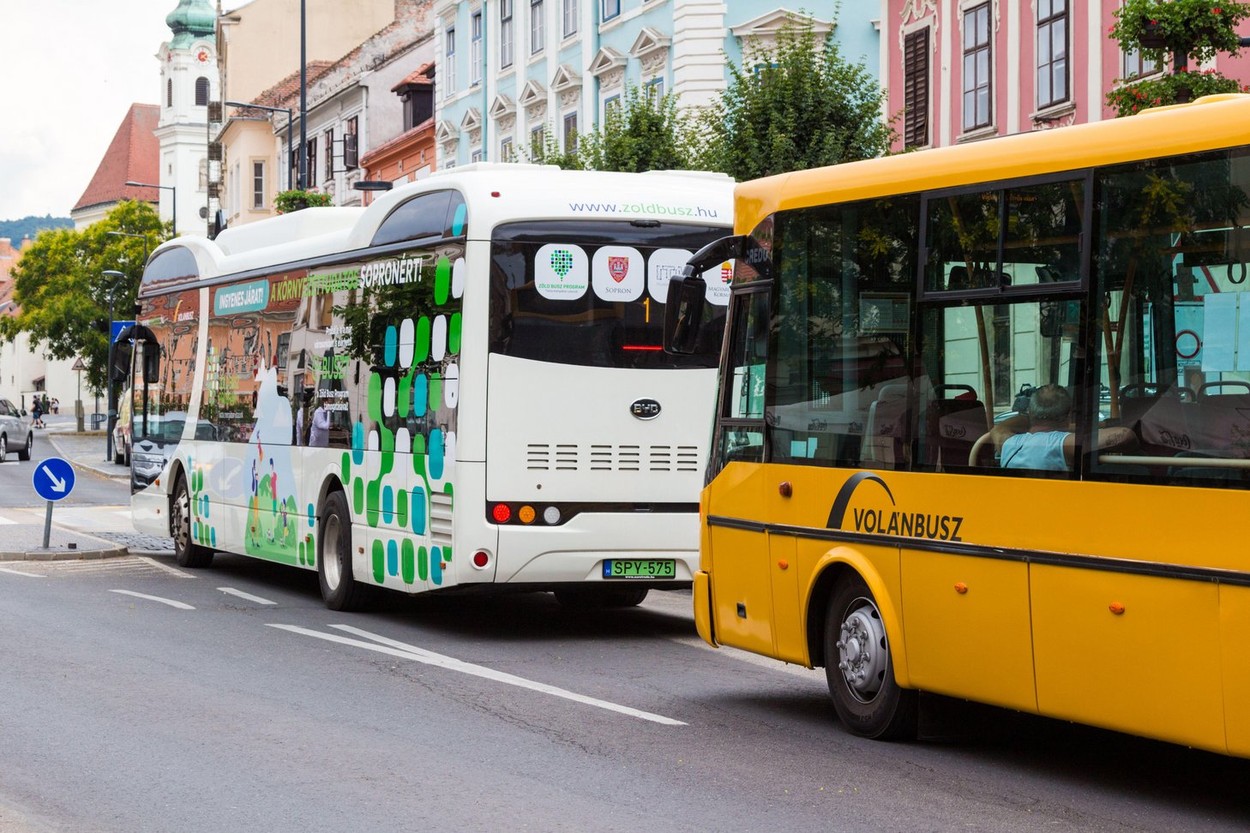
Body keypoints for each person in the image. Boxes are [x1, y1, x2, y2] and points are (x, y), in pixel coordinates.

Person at [998, 384, 1135, 471]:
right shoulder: (1062, 443)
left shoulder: (1007, 442)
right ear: (1069, 415)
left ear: (1030, 411)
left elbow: (1002, 426)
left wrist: (1035, 417)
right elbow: (1124, 435)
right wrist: (1102, 425)